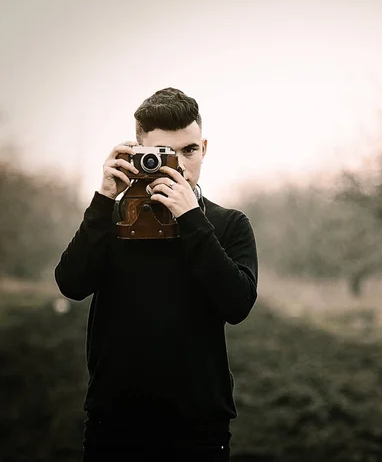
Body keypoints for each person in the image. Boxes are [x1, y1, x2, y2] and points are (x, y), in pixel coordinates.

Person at [55, 87, 259, 461]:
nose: (179, 164)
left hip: (199, 426)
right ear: (138, 153)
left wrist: (191, 219)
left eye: (189, 150)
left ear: (205, 148)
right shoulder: (112, 218)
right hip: (115, 422)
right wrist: (104, 199)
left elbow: (238, 304)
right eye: (163, 154)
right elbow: (71, 283)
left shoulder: (228, 224)